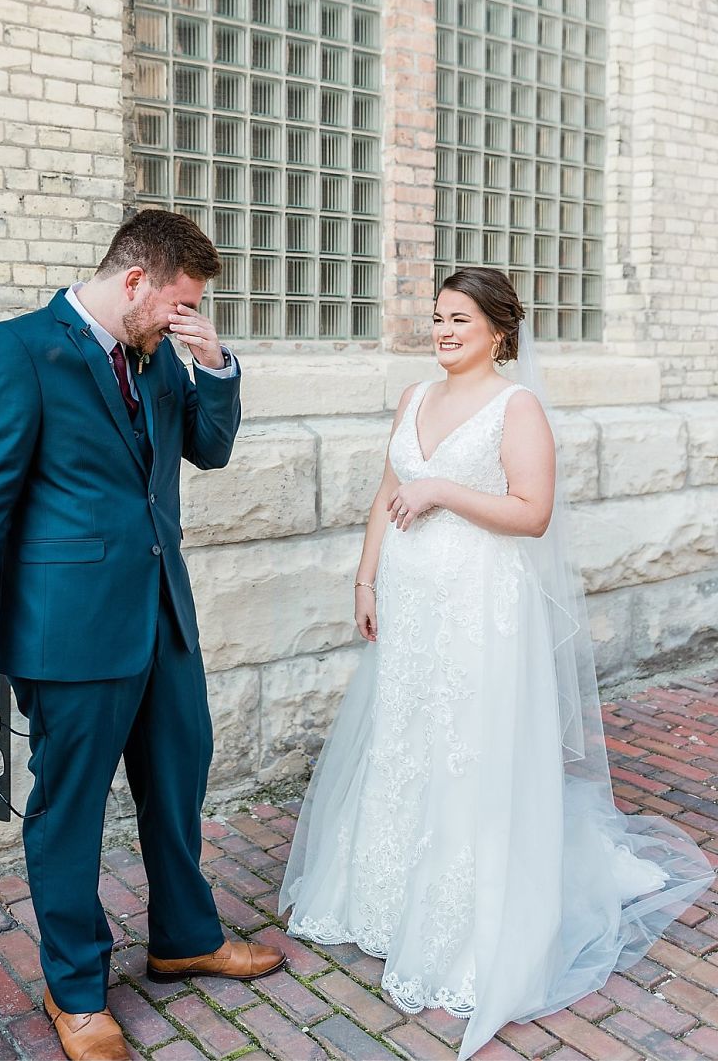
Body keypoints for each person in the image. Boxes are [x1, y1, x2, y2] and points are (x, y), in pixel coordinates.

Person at [279, 266, 713, 1060]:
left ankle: (467, 924)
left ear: (499, 331)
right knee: (406, 741)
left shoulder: (518, 407)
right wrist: (366, 575)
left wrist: (443, 487)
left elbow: (531, 509)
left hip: (483, 611)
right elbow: (386, 492)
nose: (443, 330)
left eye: (460, 319)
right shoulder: (415, 398)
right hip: (412, 612)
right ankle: (386, 903)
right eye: (438, 317)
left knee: (468, 749)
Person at [0, 209, 284, 1061]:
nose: (182, 316)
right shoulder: (18, 349)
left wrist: (218, 366)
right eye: (178, 302)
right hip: (70, 629)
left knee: (178, 781)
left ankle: (185, 934)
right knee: (70, 813)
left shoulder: (163, 353)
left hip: (163, 614)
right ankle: (78, 991)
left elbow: (208, 450)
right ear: (135, 281)